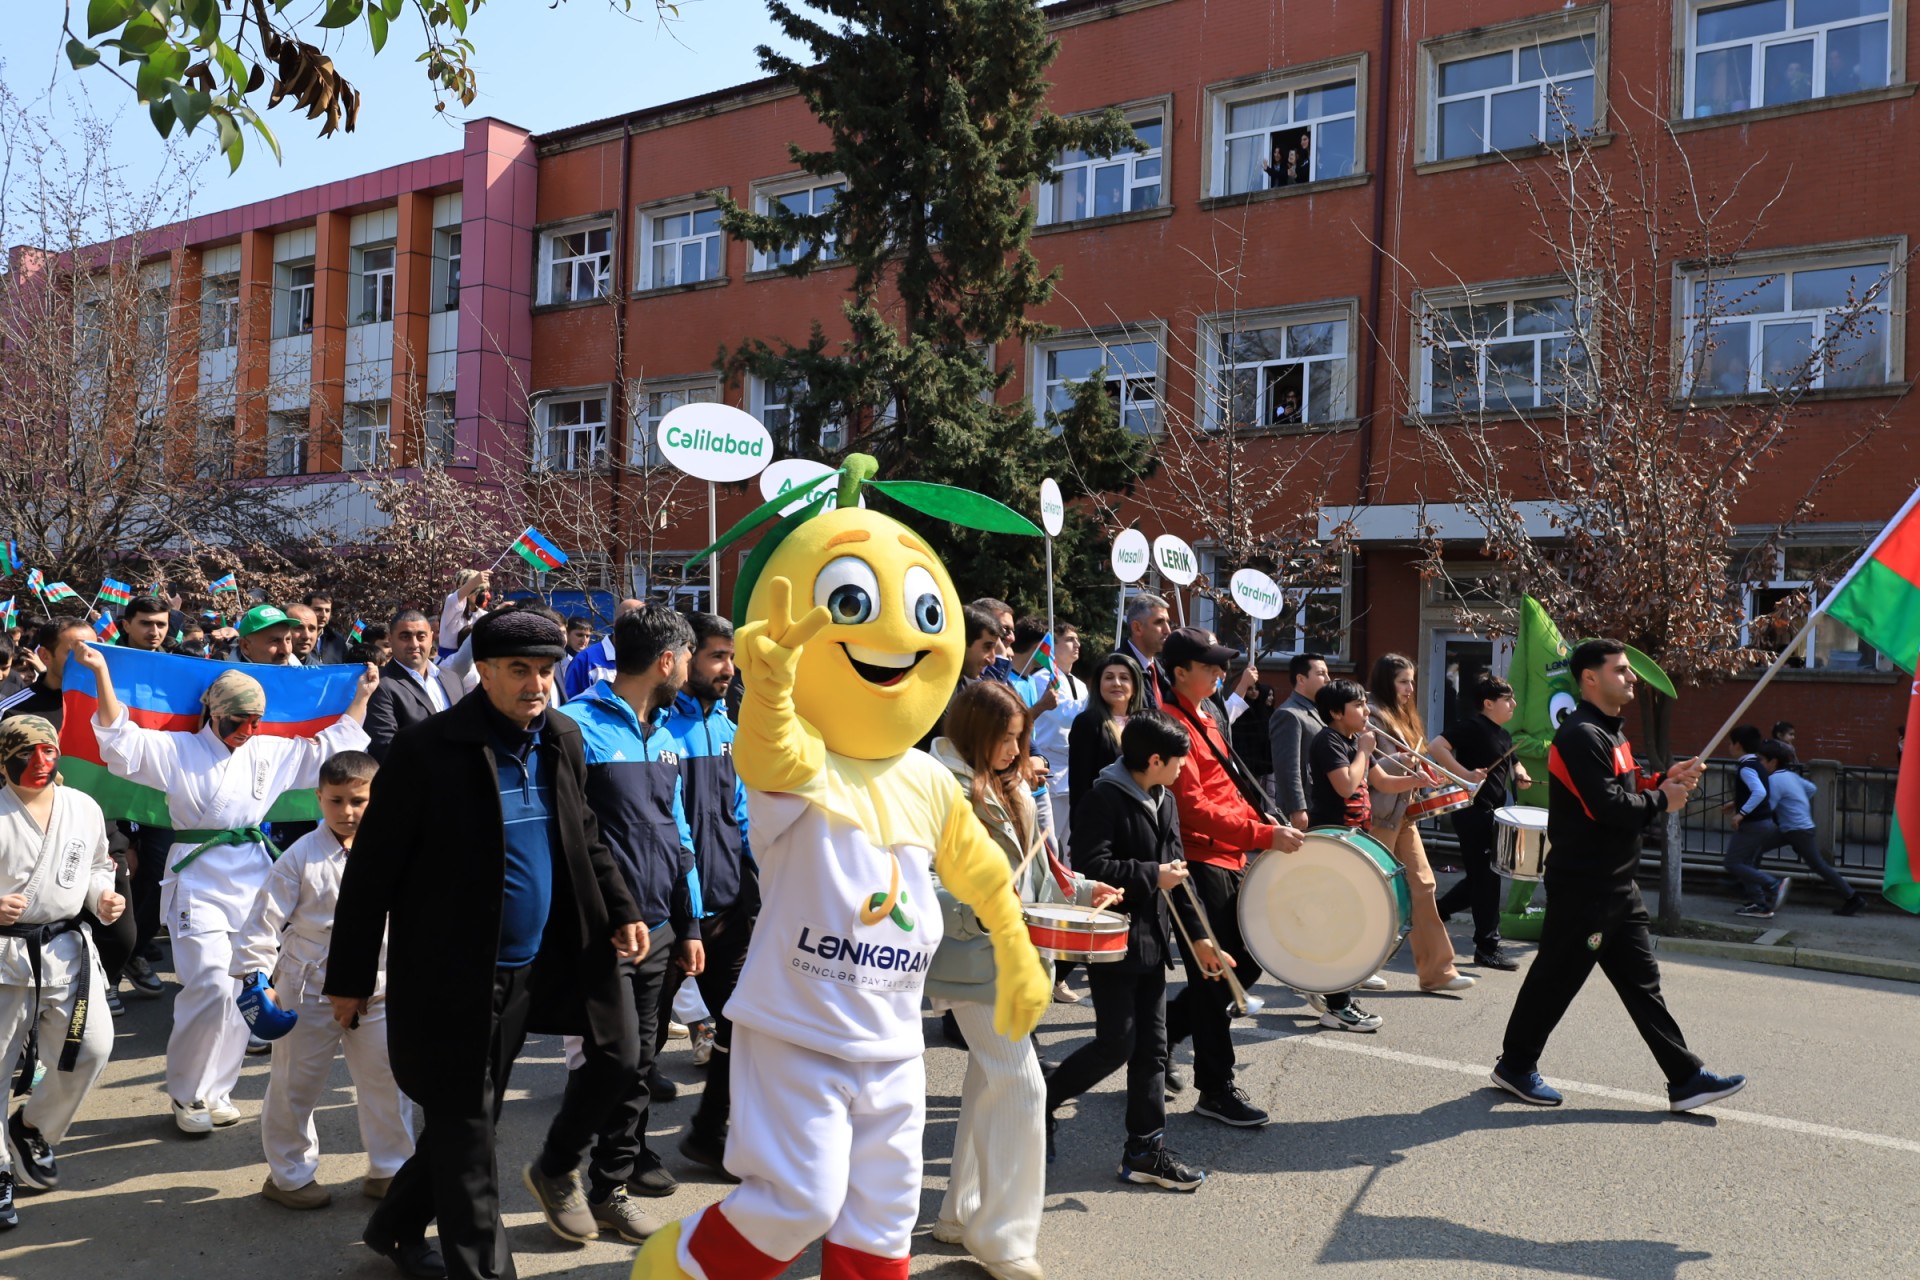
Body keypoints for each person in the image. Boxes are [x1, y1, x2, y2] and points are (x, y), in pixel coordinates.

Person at [327, 608, 646, 1280]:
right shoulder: (427, 750)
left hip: (548, 960)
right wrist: (351, 977)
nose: (536, 684)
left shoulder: (560, 735)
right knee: (468, 1133)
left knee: (617, 1055)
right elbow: (372, 871)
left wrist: (621, 907)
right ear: (485, 671)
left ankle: (397, 1224)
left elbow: (583, 831)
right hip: (454, 975)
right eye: (520, 670)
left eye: (545, 670)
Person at [77, 643, 377, 1135]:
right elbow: (119, 741)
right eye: (238, 721)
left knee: (248, 987)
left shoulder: (267, 750)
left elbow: (328, 748)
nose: (248, 731)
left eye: (256, 721)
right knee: (211, 985)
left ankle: (218, 1090)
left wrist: (361, 695)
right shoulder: (177, 749)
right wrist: (103, 674)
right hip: (197, 877)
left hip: (254, 876)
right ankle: (186, 1091)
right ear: (212, 713)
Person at [1491, 639, 1745, 1112]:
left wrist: (1664, 780)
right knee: (1555, 979)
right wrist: (1661, 802)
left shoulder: (1612, 735)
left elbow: (1624, 787)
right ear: (1590, 678)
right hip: (1587, 885)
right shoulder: (1580, 736)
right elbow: (1606, 807)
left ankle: (1686, 1078)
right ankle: (1515, 1066)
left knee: (1642, 984)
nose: (1632, 678)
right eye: (1622, 670)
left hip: (1617, 885)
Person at [926, 681, 1110, 1280]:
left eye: (1020, 739)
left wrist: (1083, 891)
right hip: (975, 960)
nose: (1014, 750)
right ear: (976, 733)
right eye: (1004, 739)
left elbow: (1035, 872)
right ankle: (1003, 1240)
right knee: (1024, 1088)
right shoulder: (938, 786)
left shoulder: (1005, 785)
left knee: (988, 1086)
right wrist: (970, 908)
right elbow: (918, 879)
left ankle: (961, 1215)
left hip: (1010, 958)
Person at [533, 606, 699, 1242]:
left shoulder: (663, 734)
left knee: (640, 1066)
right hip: (601, 931)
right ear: (666, 660)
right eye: (686, 656)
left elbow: (676, 831)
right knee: (613, 1059)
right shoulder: (571, 727)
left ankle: (612, 1185)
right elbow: (565, 834)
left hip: (658, 927)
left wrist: (688, 923)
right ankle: (555, 1167)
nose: (687, 668)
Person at [229, 750, 414, 1210]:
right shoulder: (299, 856)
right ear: (318, 798)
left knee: (387, 1079)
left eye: (359, 800)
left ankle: (391, 1169)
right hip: (308, 987)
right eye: (336, 801)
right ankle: (289, 1176)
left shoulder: (398, 847)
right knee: (296, 1083)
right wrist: (256, 980)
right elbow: (262, 922)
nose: (347, 812)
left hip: (380, 983)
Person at [1046, 710, 1209, 1194]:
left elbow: (1178, 873)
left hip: (1154, 941)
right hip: (1114, 941)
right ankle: (1038, 1101)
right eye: (1178, 761)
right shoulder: (1103, 797)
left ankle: (1144, 1150)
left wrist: (1199, 937)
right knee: (1117, 1043)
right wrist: (1148, 875)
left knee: (1153, 1050)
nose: (1183, 769)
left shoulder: (1166, 798)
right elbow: (1091, 866)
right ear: (1154, 760)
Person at [1158, 628, 1305, 1125]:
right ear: (1181, 673)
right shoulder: (1169, 723)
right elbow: (1192, 809)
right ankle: (1215, 1088)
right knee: (1219, 972)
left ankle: (1159, 1037)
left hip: (1231, 855)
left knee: (1241, 964)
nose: (1222, 673)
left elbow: (1228, 787)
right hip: (1201, 861)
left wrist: (1265, 823)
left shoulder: (1207, 716)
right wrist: (1261, 836)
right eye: (1211, 666)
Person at [0, 715, 123, 1230]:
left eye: (48, 753)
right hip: (3, 958)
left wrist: (101, 896)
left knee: (92, 1048)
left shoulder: (82, 806)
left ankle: (32, 1126)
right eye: (26, 755)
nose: (39, 764)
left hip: (67, 950)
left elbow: (99, 863)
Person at [661, 612, 756, 1179]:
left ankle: (708, 1132)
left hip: (729, 910)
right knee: (635, 1047)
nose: (728, 668)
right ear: (685, 656)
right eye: (717, 656)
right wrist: (688, 914)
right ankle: (611, 1160)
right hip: (672, 917)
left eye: (731, 656)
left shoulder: (730, 727)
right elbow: (672, 832)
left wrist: (758, 884)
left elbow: (741, 816)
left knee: (743, 1025)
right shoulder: (659, 729)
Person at [1364, 655, 1473, 995]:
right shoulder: (1370, 715)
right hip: (1380, 814)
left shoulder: (1401, 716)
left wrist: (1427, 777)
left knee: (1423, 886)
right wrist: (1409, 765)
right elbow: (1373, 769)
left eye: (1411, 681)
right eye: (1403, 682)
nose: (1410, 689)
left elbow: (1409, 766)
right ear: (1386, 681)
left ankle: (1437, 971)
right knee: (1371, 891)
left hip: (1403, 814)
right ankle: (1357, 962)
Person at [1303, 678, 1389, 1031]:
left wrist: (1419, 781)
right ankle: (1338, 1005)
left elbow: (1380, 781)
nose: (1367, 711)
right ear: (1337, 713)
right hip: (1334, 841)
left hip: (1353, 839)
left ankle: (1325, 989)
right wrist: (1365, 751)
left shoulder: (1351, 741)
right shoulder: (1329, 741)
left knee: (1345, 920)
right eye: (1358, 705)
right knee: (1341, 923)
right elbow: (1345, 785)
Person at [1429, 676, 1531, 969]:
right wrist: (1464, 775)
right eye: (1507, 700)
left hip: (1494, 813)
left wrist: (1520, 773)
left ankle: (1436, 912)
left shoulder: (1503, 734)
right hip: (1472, 811)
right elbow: (1436, 746)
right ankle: (1487, 946)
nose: (1513, 704)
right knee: (1487, 880)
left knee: (1482, 877)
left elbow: (1512, 761)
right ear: (1488, 704)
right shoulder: (1472, 726)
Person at [1756, 741, 1867, 915]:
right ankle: (1752, 886)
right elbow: (1811, 788)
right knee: (1755, 847)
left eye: (1760, 760)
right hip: (1792, 828)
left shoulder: (1774, 780)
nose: (1758, 764)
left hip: (1797, 830)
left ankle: (1853, 898)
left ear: (1773, 762)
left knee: (1819, 866)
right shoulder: (1790, 775)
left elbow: (1766, 808)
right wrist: (1796, 802)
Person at [1068, 652, 1146, 823]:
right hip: (1103, 818)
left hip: (1140, 815)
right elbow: (1080, 783)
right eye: (1109, 677)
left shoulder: (1145, 723)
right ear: (1099, 685)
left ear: (1134, 686)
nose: (1116, 683)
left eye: (1124, 678)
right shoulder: (1088, 723)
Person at [364, 610, 450, 763]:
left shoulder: (452, 679)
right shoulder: (380, 686)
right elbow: (385, 749)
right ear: (390, 640)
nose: (414, 644)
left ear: (431, 637)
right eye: (405, 636)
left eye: (421, 636)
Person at [1724, 724, 1791, 919]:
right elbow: (1759, 789)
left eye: (1730, 743)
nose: (1729, 747)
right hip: (1764, 822)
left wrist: (1740, 813)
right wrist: (1735, 803)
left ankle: (1773, 884)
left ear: (1738, 745)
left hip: (1753, 824)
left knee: (1733, 862)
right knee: (1746, 863)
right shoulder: (1757, 764)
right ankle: (1760, 904)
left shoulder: (1746, 767)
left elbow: (1759, 792)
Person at [1267, 652, 1330, 831]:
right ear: (1301, 679)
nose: (1327, 679)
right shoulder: (1289, 714)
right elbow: (1288, 767)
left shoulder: (1319, 710)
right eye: (1320, 674)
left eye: (1327, 673)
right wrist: (1297, 808)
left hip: (1322, 802)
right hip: (1305, 809)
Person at [0, 618, 92, 723]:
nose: (86, 658)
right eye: (75, 651)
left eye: (94, 650)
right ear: (45, 655)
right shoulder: (11, 712)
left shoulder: (107, 705)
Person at [559, 599, 648, 703]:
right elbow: (568, 709)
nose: (642, 629)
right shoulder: (585, 661)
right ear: (617, 623)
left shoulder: (647, 660)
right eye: (636, 622)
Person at [1116, 592, 1172, 710]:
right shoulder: (1117, 669)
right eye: (1159, 622)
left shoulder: (1162, 670)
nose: (1168, 630)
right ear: (1137, 628)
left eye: (1168, 622)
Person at [438, 569, 491, 658]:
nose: (487, 595)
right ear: (470, 593)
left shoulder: (482, 615)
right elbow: (457, 597)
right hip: (448, 664)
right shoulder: (452, 609)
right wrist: (475, 581)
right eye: (482, 591)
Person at [234, 605, 302, 667]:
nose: (286, 650)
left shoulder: (298, 668)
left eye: (288, 639)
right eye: (275, 641)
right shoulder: (229, 679)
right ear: (245, 646)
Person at [306, 592, 351, 665]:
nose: (323, 615)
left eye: (327, 610)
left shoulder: (338, 641)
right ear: (305, 609)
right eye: (318, 609)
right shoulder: (294, 639)